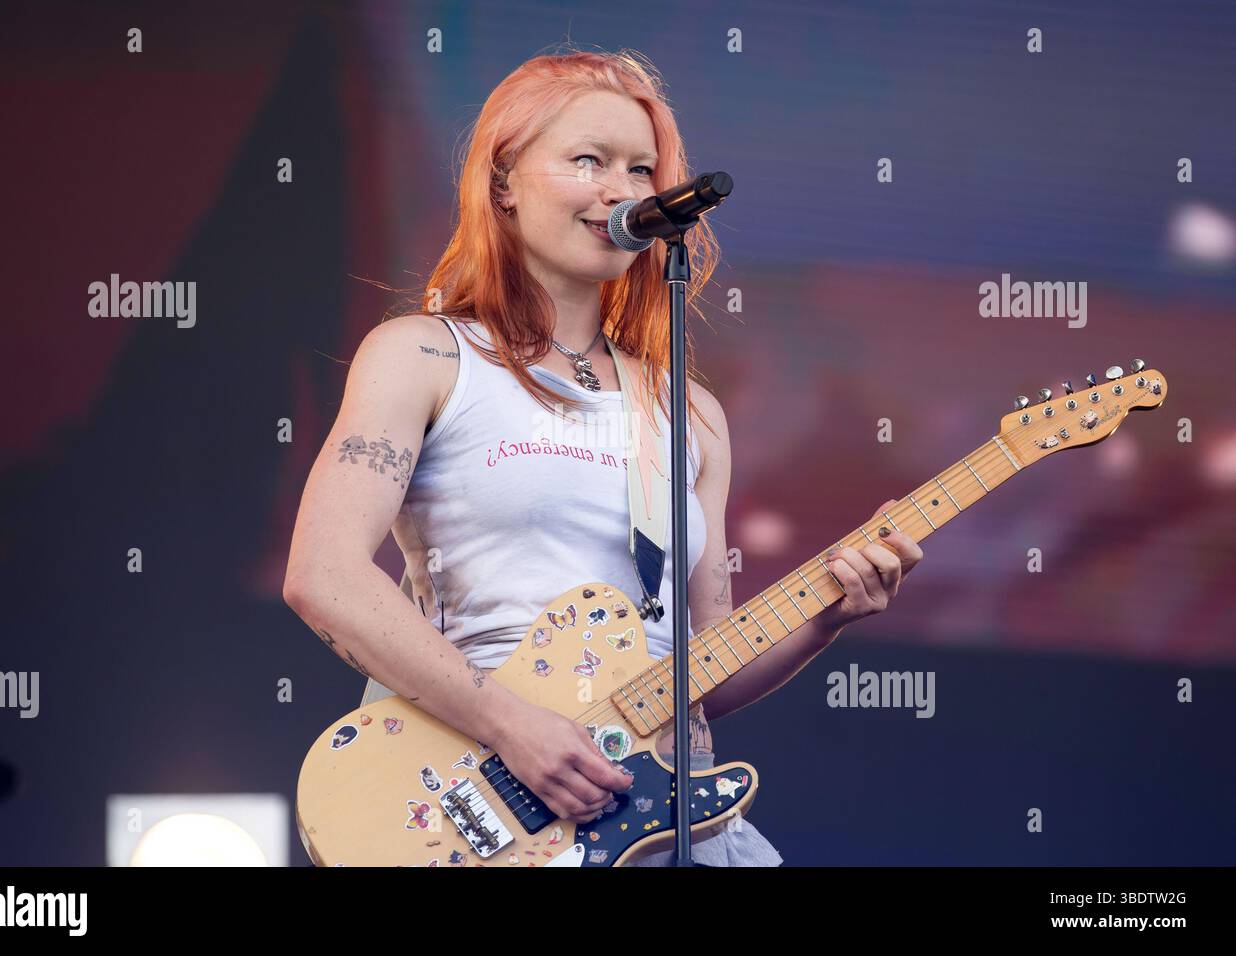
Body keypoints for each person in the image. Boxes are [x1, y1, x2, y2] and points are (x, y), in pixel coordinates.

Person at [282, 48, 923, 866]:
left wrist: (829, 614)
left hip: (664, 821)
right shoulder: (425, 357)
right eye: (589, 160)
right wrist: (511, 726)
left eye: (642, 169)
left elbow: (703, 673)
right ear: (504, 180)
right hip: (485, 802)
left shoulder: (688, 412)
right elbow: (323, 574)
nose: (624, 189)